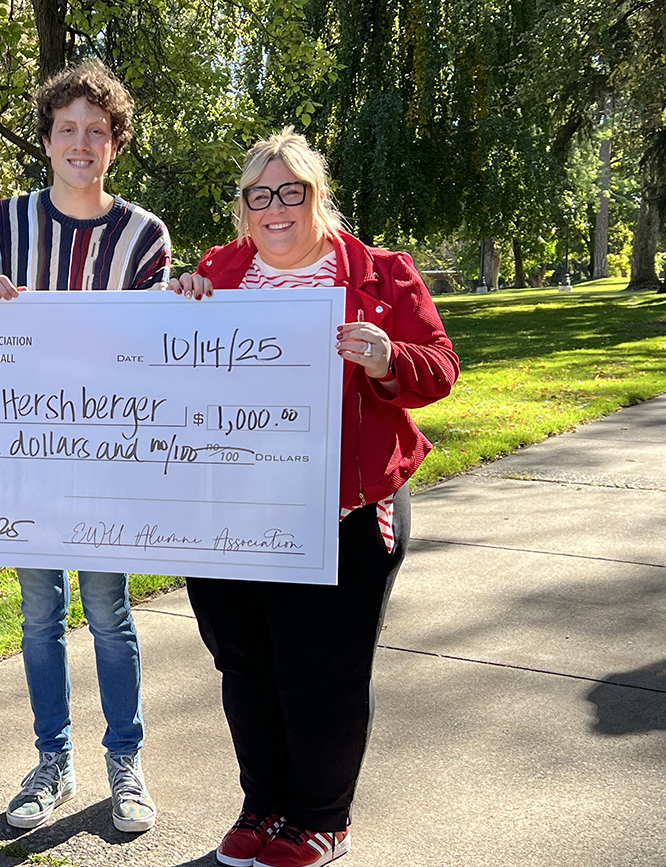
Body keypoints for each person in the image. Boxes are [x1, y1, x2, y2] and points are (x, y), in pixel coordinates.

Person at [170, 127, 459, 867]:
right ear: (243, 206)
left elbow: (439, 368)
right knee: (245, 663)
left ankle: (321, 816)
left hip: (343, 512)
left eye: (290, 192)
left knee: (322, 671)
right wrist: (182, 306)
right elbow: (177, 372)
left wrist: (389, 355)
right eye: (259, 194)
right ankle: (263, 804)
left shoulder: (379, 273)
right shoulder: (218, 270)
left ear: (314, 196)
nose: (275, 208)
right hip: (233, 516)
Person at [0, 59, 171, 832]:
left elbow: (156, 348)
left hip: (106, 459)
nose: (80, 142)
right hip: (26, 459)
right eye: (67, 130)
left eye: (96, 130)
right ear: (47, 140)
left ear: (114, 142)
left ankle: (127, 759)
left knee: (108, 609)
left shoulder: (144, 235)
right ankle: (52, 760)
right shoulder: (2, 224)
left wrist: (182, 302)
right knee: (38, 613)